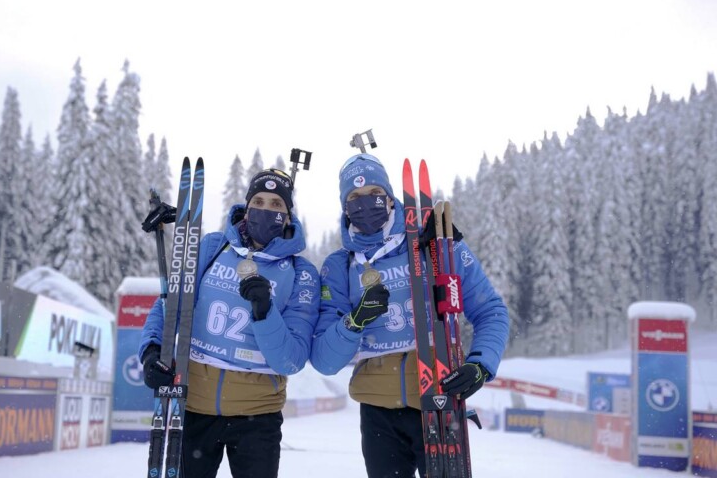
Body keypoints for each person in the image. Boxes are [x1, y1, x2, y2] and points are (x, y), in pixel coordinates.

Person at [310, 153, 510, 478]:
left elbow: (490, 311)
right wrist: (354, 322)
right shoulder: (340, 265)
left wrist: (481, 364)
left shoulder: (436, 243)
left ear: (390, 198)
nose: (365, 203)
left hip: (439, 397)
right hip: (377, 412)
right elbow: (324, 360)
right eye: (354, 197)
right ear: (344, 207)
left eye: (374, 193)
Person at [139, 168, 320, 478]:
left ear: (288, 216)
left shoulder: (300, 273)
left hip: (257, 417)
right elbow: (170, 304)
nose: (266, 210)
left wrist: (265, 312)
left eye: (276, 204)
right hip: (194, 408)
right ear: (246, 208)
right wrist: (151, 351)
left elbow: (291, 360)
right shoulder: (213, 247)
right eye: (258, 202)